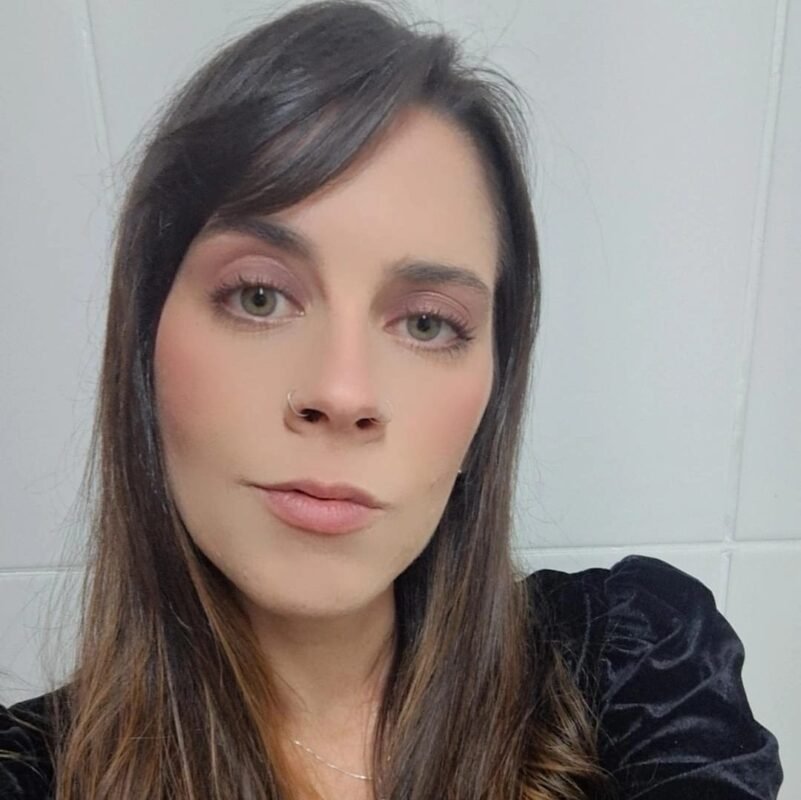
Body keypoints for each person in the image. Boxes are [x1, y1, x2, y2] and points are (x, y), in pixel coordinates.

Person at [0, 1, 783, 798]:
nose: (342, 393)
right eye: (259, 297)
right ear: (143, 348)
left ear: (490, 404)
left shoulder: (638, 675)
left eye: (426, 323)